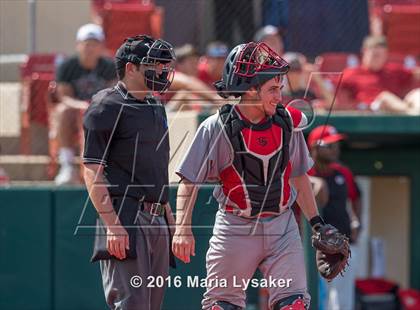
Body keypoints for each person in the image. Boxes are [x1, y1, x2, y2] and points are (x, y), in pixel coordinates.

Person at [172, 41, 345, 309]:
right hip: (235, 225)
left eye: (280, 88)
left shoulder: (287, 122)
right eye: (272, 89)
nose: (279, 96)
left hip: (282, 225)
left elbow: (298, 176)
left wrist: (317, 224)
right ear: (250, 90)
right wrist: (182, 228)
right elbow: (189, 180)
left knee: (294, 304)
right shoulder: (216, 126)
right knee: (222, 306)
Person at [82, 34, 176, 310]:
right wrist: (113, 225)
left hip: (157, 216)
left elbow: (157, 169)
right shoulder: (106, 105)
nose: (161, 71)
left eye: (162, 65)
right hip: (127, 216)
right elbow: (91, 170)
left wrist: (171, 221)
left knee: (151, 305)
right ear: (131, 67)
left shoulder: (155, 105)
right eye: (153, 65)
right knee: (131, 304)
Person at [53, 23, 116, 185]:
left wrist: (95, 106)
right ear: (78, 45)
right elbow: (64, 97)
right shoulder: (67, 66)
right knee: (62, 111)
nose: (90, 48)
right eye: (86, 44)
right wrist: (82, 106)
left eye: (94, 44)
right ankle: (67, 166)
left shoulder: (109, 66)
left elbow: (112, 94)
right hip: (75, 110)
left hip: (101, 110)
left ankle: (109, 168)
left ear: (101, 46)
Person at [307, 125, 362, 310]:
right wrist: (314, 182)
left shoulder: (342, 172)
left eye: (336, 145)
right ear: (315, 147)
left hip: (342, 244)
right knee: (316, 298)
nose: (335, 149)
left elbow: (356, 197)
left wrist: (356, 222)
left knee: (343, 301)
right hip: (313, 249)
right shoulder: (305, 173)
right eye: (329, 145)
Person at [338, 35, 419, 114]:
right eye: (375, 55)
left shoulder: (392, 70)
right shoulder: (352, 73)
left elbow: (415, 73)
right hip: (370, 111)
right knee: (385, 97)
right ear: (364, 52)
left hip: (395, 110)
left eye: (381, 55)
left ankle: (412, 114)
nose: (378, 59)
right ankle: (412, 115)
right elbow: (333, 87)